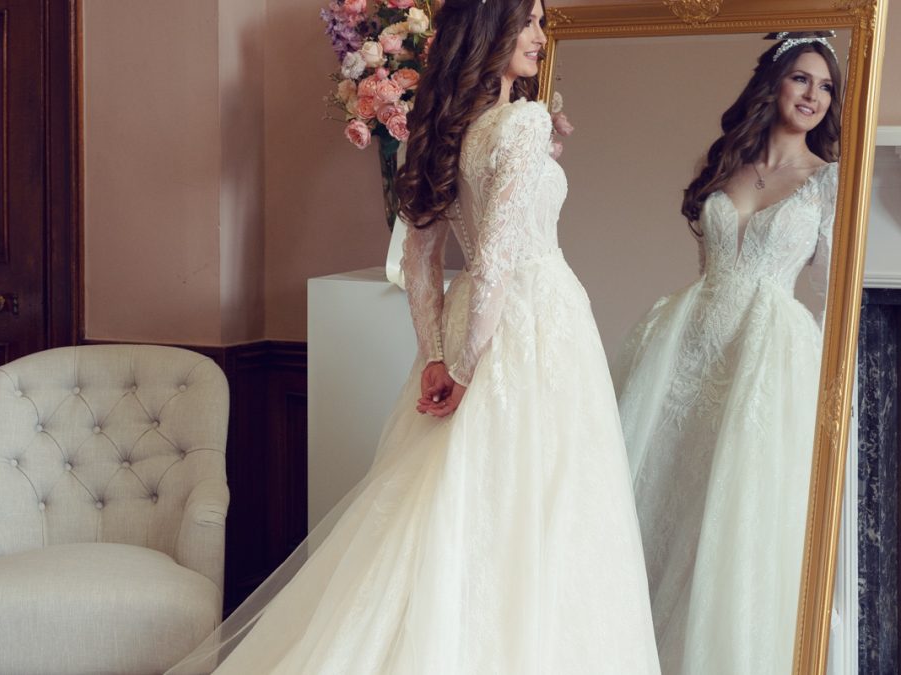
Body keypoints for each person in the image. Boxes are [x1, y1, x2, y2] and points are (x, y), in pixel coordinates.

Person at [169, 1, 660, 672]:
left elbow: (422, 262)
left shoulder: (440, 131)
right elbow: (497, 258)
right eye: (528, 20)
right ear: (488, 27)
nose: (540, 37)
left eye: (541, 22)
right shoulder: (523, 121)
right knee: (534, 508)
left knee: (448, 505)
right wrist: (464, 368)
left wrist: (437, 355)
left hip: (468, 323)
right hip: (533, 326)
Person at [611, 33, 841, 675]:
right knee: (664, 492)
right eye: (802, 79)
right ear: (774, 83)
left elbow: (834, 290)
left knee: (734, 506)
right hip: (689, 345)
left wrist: (819, 375)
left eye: (826, 87)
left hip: (765, 355)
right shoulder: (728, 164)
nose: (814, 96)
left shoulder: (828, 182)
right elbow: (711, 262)